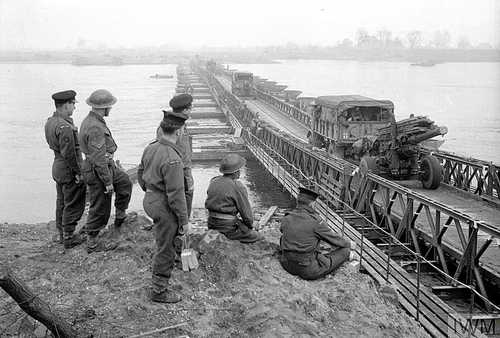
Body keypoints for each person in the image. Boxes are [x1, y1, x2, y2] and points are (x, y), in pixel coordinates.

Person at [137, 110, 190, 304]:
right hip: (162, 204)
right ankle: (159, 291)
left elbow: (141, 173)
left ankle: (163, 275)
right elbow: (176, 194)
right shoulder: (173, 158)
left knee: (163, 240)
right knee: (165, 247)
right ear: (178, 131)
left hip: (150, 199)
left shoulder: (151, 147)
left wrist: (151, 191)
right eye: (183, 128)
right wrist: (184, 222)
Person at [79, 89, 132, 253]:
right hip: (98, 169)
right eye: (110, 106)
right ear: (105, 107)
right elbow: (98, 158)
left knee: (124, 182)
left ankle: (120, 215)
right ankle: (92, 241)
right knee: (100, 204)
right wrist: (107, 182)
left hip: (106, 166)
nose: (111, 109)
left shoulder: (95, 120)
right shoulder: (95, 127)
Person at [279, 187, 355, 280]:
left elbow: (282, 230)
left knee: (287, 237)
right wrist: (349, 243)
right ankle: (346, 255)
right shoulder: (316, 221)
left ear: (298, 201)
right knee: (345, 251)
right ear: (312, 204)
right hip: (307, 270)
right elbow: (333, 239)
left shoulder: (287, 217)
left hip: (287, 265)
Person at [44, 90, 86, 249]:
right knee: (73, 202)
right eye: (73, 103)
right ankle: (68, 236)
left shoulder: (50, 122)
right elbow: (70, 154)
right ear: (66, 105)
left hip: (57, 167)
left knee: (61, 201)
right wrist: (78, 173)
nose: (74, 107)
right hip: (68, 169)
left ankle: (62, 234)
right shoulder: (65, 126)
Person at [205, 154, 262, 243]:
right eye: (239, 170)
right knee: (258, 237)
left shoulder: (214, 181)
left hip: (211, 224)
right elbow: (246, 214)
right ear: (236, 172)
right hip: (228, 228)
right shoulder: (237, 186)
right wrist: (251, 226)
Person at [169, 93, 194, 218]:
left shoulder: (179, 123)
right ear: (185, 110)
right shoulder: (174, 126)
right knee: (184, 196)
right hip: (180, 169)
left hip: (184, 167)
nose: (191, 111)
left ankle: (183, 224)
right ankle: (182, 226)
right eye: (190, 108)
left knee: (185, 196)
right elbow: (167, 151)